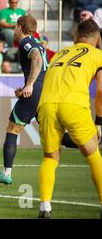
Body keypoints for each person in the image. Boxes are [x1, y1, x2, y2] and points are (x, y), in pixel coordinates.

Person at [36, 19, 102, 219]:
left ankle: (45, 207)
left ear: (75, 37)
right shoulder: (98, 55)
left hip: (46, 104)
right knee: (92, 153)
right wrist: (99, 122)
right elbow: (101, 90)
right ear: (97, 39)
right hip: (73, 104)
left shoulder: (59, 54)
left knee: (50, 157)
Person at [0, 15, 47, 185]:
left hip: (35, 92)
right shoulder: (39, 43)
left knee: (12, 129)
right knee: (55, 135)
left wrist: (29, 85)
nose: (14, 30)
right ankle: (92, 144)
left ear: (20, 27)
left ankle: (6, 173)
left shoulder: (25, 42)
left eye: (15, 27)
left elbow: (37, 59)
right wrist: (26, 87)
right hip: (46, 92)